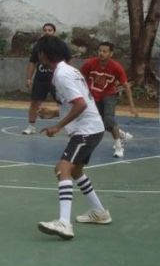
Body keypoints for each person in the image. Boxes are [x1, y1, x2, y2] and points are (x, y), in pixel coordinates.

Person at [36, 35, 111, 240]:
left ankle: (64, 223)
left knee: (63, 168)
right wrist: (55, 113)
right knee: (76, 170)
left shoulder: (62, 75)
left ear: (44, 54)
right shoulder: (69, 70)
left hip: (86, 130)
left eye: (39, 52)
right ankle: (99, 212)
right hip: (91, 127)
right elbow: (76, 101)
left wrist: (57, 126)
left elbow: (80, 104)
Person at [80, 42, 138, 158]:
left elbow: (126, 85)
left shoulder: (116, 67)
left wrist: (132, 106)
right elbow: (79, 78)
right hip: (93, 96)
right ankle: (122, 135)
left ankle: (118, 147)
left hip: (109, 95)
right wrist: (82, 93)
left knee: (109, 119)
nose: (101, 53)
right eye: (100, 51)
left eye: (105, 51)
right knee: (101, 124)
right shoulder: (90, 63)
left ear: (111, 54)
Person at [22, 23, 71, 135]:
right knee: (35, 102)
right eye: (45, 30)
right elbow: (32, 62)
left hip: (56, 80)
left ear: (54, 32)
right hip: (41, 79)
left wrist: (67, 77)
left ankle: (68, 127)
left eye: (50, 30)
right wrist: (29, 78)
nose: (47, 32)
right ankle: (31, 126)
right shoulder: (38, 46)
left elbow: (67, 61)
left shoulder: (60, 45)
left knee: (63, 103)